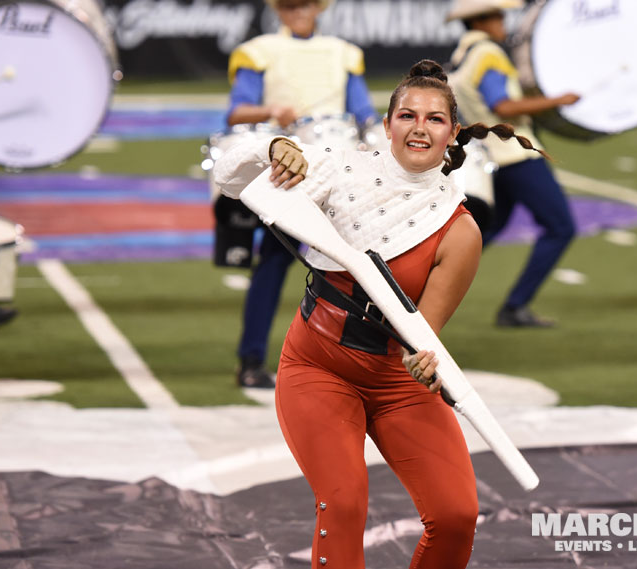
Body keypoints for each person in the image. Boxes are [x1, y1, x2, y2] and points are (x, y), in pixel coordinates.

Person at [214, 60, 547, 569]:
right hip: (318, 366)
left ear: (453, 133)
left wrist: (424, 361)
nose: (419, 127)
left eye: (435, 119)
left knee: (457, 515)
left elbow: (422, 335)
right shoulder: (339, 167)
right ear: (387, 124)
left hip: (396, 382)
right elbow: (227, 173)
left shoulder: (460, 230)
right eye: (407, 115)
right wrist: (272, 148)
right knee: (343, 504)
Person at [222, 0, 379, 387]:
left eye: (305, 3)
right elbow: (236, 112)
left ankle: (358, 358)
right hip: (290, 169)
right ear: (278, 10)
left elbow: (366, 115)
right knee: (275, 261)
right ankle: (251, 359)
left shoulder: (343, 53)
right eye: (290, 4)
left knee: (358, 265)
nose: (298, 10)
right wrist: (271, 110)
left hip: (340, 169)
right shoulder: (260, 51)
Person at [446, 0, 580, 328]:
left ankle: (416, 291)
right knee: (561, 226)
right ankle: (515, 306)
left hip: (488, 155)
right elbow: (503, 106)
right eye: (496, 14)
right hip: (513, 154)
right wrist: (557, 101)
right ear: (479, 19)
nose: (502, 20)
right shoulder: (488, 53)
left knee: (485, 231)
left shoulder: (461, 55)